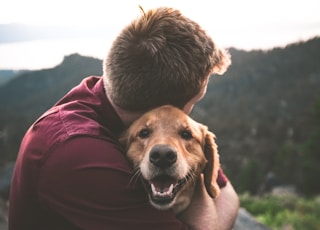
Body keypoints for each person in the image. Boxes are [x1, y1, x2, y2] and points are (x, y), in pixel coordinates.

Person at [9, 7, 239, 230]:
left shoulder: (109, 95)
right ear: (163, 108)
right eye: (194, 101)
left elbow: (227, 193)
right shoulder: (79, 155)